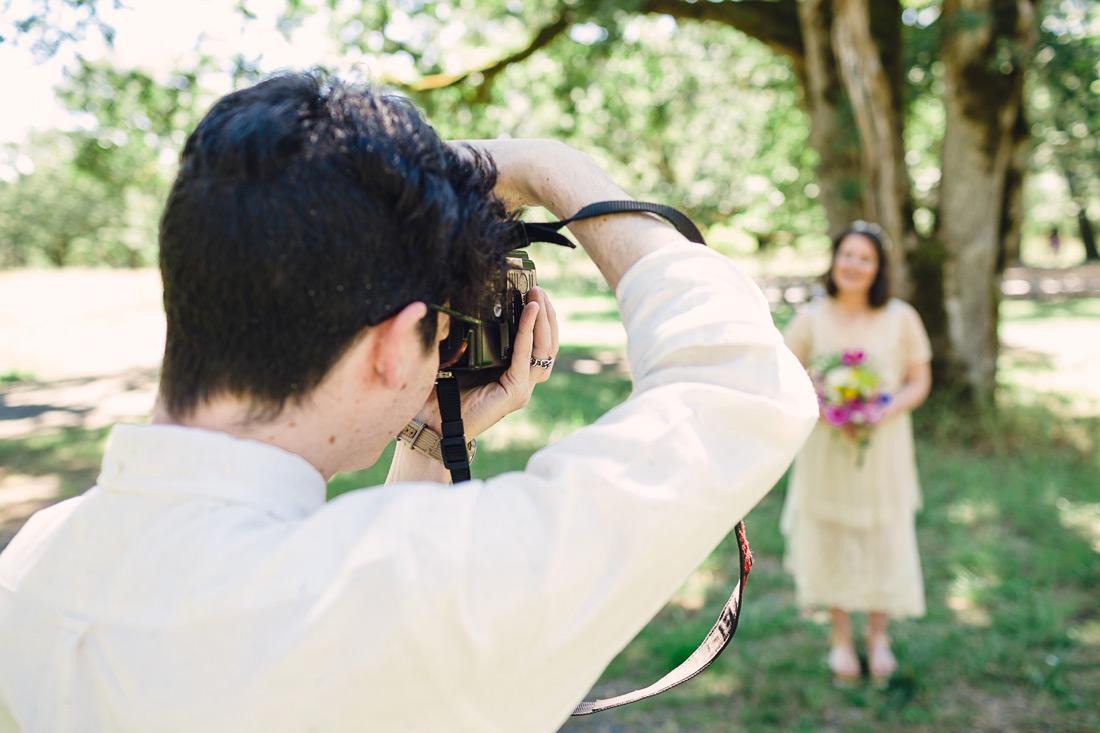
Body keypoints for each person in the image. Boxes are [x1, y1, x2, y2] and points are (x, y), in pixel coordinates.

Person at [0, 72, 817, 732]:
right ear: (396, 345)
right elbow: (741, 385)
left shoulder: (36, 560)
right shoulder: (420, 598)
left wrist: (429, 441)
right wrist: (549, 167)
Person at [780, 221, 932, 685]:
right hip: (827, 446)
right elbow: (786, 373)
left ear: (878, 267)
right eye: (846, 255)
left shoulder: (901, 317)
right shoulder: (811, 318)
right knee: (833, 534)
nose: (853, 265)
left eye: (864, 258)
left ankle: (878, 636)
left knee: (882, 534)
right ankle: (841, 638)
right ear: (834, 260)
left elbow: (918, 381)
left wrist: (881, 409)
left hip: (883, 446)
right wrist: (824, 406)